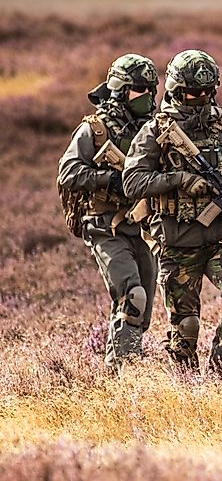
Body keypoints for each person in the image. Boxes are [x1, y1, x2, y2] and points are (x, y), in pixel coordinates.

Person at [123, 49, 222, 372]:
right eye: (192, 92)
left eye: (206, 92)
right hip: (176, 243)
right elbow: (132, 181)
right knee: (186, 328)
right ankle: (187, 386)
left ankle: (218, 370)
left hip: (221, 240)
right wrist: (180, 180)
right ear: (176, 90)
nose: (199, 98)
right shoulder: (157, 132)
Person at [58, 53, 159, 373]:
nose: (148, 97)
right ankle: (121, 376)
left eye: (151, 90)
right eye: (140, 90)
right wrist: (110, 178)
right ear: (119, 90)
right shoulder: (95, 130)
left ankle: (131, 360)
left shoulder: (152, 130)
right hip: (105, 226)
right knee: (133, 297)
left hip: (143, 226)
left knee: (144, 310)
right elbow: (68, 172)